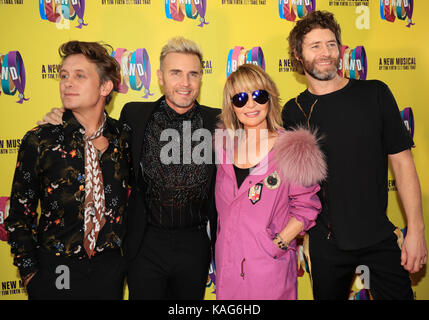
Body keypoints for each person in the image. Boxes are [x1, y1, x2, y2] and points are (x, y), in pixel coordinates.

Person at [40, 37, 220, 300]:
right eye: (176, 73)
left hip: (194, 244)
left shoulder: (217, 121)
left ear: (201, 78)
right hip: (145, 243)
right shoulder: (134, 114)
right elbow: (95, 127)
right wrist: (64, 116)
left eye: (193, 74)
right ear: (160, 77)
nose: (185, 83)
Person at [282, 10, 427, 300]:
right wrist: (303, 236)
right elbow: (295, 186)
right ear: (298, 55)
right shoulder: (292, 111)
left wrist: (416, 230)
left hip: (380, 236)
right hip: (326, 243)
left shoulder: (375, 93)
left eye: (331, 44)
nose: (326, 53)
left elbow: (402, 163)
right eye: (315, 46)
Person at [5, 41, 131, 299]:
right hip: (54, 270)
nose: (67, 82)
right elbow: (19, 216)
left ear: (106, 86)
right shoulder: (40, 140)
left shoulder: (124, 137)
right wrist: (31, 276)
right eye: (64, 75)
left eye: (79, 76)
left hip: (108, 271)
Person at [214, 64, 326, 299]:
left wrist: (278, 244)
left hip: (269, 270)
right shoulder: (223, 148)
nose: (251, 105)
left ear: (270, 99)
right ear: (232, 106)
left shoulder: (293, 147)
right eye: (241, 98)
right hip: (229, 267)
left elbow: (307, 207)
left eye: (259, 95)